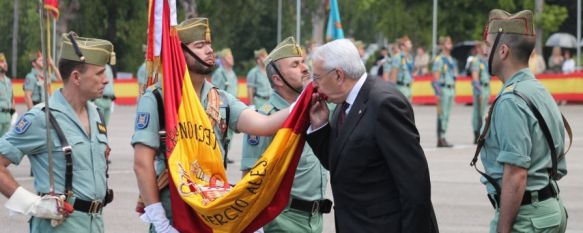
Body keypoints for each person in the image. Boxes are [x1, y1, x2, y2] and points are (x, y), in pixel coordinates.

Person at [132, 18, 290, 233]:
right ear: (179, 54)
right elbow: (142, 164)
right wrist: (159, 220)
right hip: (174, 212)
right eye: (200, 46)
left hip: (211, 211)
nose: (209, 50)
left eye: (209, 44)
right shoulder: (159, 99)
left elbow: (264, 125)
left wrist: (302, 103)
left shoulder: (221, 99)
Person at [307, 39, 438, 233]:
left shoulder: (385, 104)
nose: (314, 86)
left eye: (317, 78)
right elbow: (342, 163)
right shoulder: (343, 104)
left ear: (338, 75)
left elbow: (414, 185)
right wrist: (319, 127)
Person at [0, 32, 115, 233]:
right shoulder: (41, 118)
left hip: (95, 224)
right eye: (99, 73)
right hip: (59, 226)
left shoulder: (97, 114)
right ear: (76, 77)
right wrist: (32, 204)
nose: (106, 80)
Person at [475, 9, 568, 233]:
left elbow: (516, 174)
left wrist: (503, 229)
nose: (484, 53)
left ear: (503, 51)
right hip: (548, 209)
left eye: (488, 48)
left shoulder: (510, 100)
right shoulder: (536, 89)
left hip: (527, 219)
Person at [240, 37, 330, 233]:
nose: (305, 68)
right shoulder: (264, 118)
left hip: (316, 219)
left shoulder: (316, 108)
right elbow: (249, 178)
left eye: (304, 62)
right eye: (295, 65)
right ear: (277, 79)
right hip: (283, 221)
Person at [432, 36, 456, 147]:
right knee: (442, 114)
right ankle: (440, 138)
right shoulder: (439, 60)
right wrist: (438, 94)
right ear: (442, 45)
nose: (450, 45)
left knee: (447, 115)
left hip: (450, 89)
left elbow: (453, 76)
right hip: (443, 89)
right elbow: (435, 79)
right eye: (447, 43)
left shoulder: (451, 59)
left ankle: (444, 136)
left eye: (450, 43)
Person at [470, 42, 491, 143]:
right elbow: (475, 77)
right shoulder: (476, 60)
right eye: (483, 47)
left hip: (486, 87)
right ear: (478, 48)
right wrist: (479, 92)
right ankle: (477, 134)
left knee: (483, 112)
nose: (485, 49)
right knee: (478, 113)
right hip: (480, 88)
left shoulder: (485, 61)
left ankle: (481, 133)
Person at [389, 36, 415, 101]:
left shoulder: (410, 57)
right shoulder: (398, 57)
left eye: (410, 44)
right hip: (401, 87)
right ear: (402, 47)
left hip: (409, 87)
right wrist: (393, 89)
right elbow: (394, 73)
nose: (411, 45)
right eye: (408, 44)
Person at [0, 53, 15, 136]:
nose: (5, 64)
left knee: (4, 145)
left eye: (5, 62)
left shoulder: (8, 81)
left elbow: (12, 98)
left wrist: (11, 113)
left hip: (7, 118)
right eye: (2, 62)